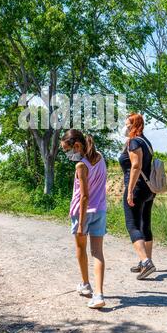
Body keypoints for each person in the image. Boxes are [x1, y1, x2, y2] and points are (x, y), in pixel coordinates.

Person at [60, 129, 107, 309]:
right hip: (100, 210)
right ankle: (99, 293)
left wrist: (80, 223)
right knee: (97, 253)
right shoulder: (100, 157)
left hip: (83, 213)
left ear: (77, 146)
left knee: (81, 248)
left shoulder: (81, 165)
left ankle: (86, 285)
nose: (67, 154)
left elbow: (84, 196)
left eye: (67, 150)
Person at [118, 113, 156, 280]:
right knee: (145, 224)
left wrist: (130, 190)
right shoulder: (146, 141)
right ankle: (145, 261)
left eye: (127, 124)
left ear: (134, 125)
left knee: (132, 225)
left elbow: (135, 165)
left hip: (137, 188)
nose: (125, 127)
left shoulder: (134, 142)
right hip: (149, 189)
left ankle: (146, 262)